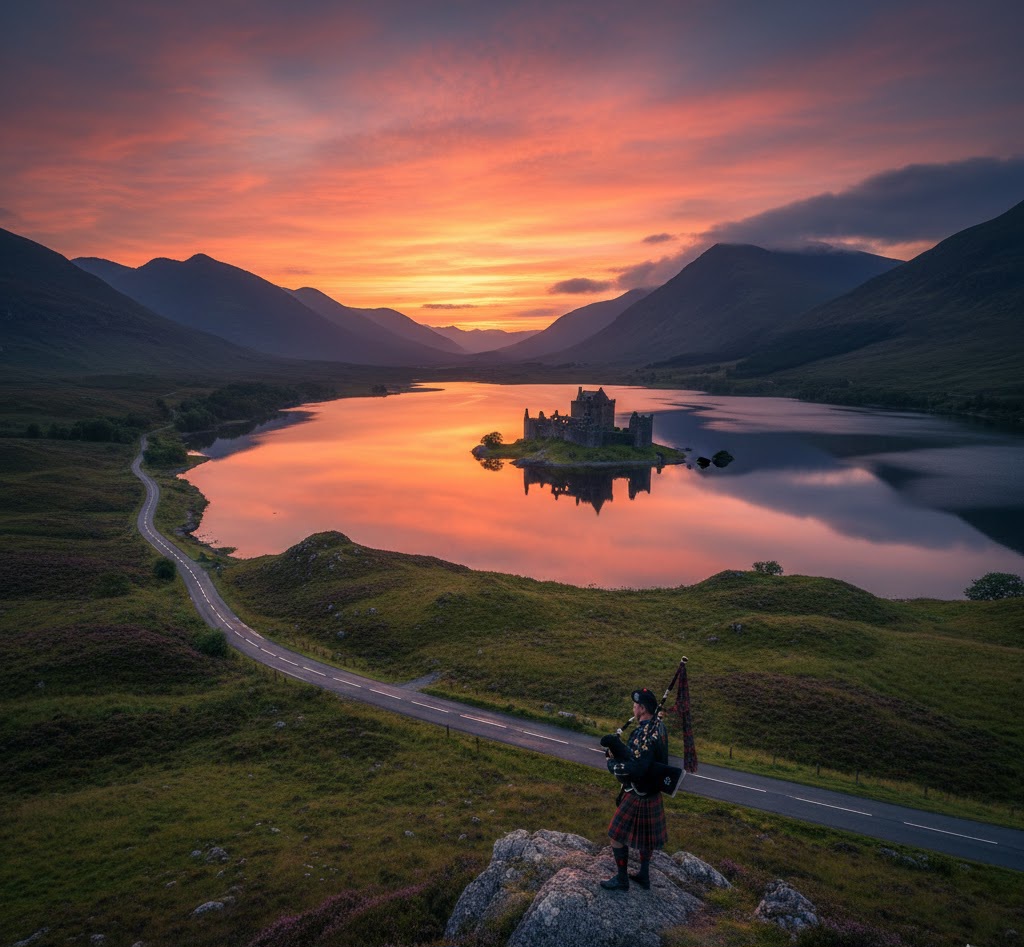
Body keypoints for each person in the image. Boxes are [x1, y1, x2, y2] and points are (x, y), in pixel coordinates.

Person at [598, 687, 669, 892]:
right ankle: (644, 875)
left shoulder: (646, 732)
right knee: (646, 838)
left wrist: (612, 765)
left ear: (642, 709)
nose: (633, 708)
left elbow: (637, 768)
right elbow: (639, 756)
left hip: (639, 792)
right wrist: (618, 747)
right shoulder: (658, 727)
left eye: (635, 705)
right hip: (652, 792)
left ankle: (622, 880)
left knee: (615, 835)